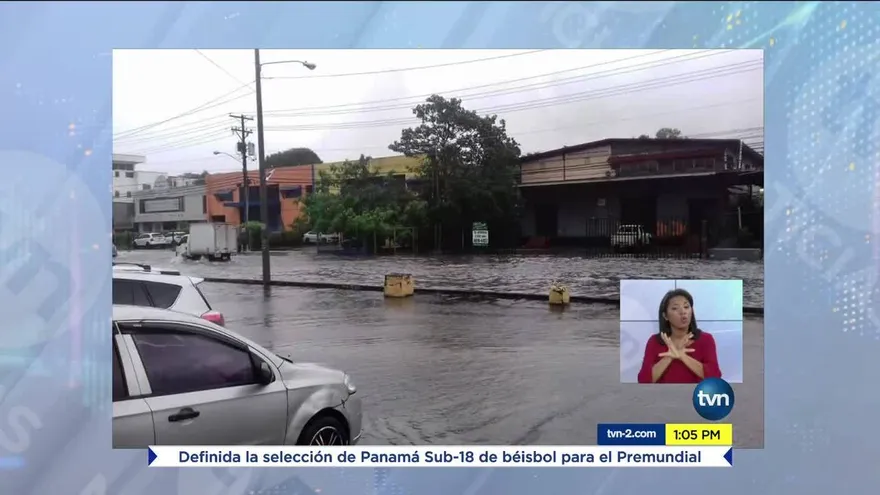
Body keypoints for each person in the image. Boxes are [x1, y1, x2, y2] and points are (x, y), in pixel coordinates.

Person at [636, 288, 722, 384]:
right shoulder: (654, 342)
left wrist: (683, 356)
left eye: (686, 307)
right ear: (665, 316)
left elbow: (715, 377)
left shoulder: (706, 339)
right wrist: (669, 357)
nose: (683, 312)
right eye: (675, 308)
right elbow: (643, 380)